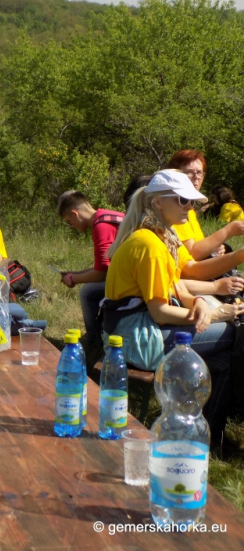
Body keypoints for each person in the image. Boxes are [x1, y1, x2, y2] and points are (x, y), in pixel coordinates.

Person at [104, 169, 244, 447]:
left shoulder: (160, 237)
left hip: (139, 329)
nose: (190, 208)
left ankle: (209, 435)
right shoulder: (151, 245)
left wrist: (201, 302)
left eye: (192, 202)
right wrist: (215, 313)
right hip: (137, 340)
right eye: (182, 201)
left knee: (226, 360)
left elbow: (178, 286)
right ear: (158, 203)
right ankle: (213, 426)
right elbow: (160, 311)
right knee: (234, 333)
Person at [55, 190, 124, 351]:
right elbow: (105, 266)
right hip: (132, 272)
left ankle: (95, 343)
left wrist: (73, 280)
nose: (72, 226)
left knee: (88, 292)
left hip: (132, 280)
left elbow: (102, 272)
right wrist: (76, 273)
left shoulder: (101, 227)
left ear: (75, 213)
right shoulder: (109, 215)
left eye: (69, 221)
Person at [166, 149, 244, 260]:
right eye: (190, 172)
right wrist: (229, 230)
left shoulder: (190, 210)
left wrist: (213, 247)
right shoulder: (173, 207)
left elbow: (199, 243)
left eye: (199, 172)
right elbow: (192, 254)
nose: (196, 177)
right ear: (174, 174)